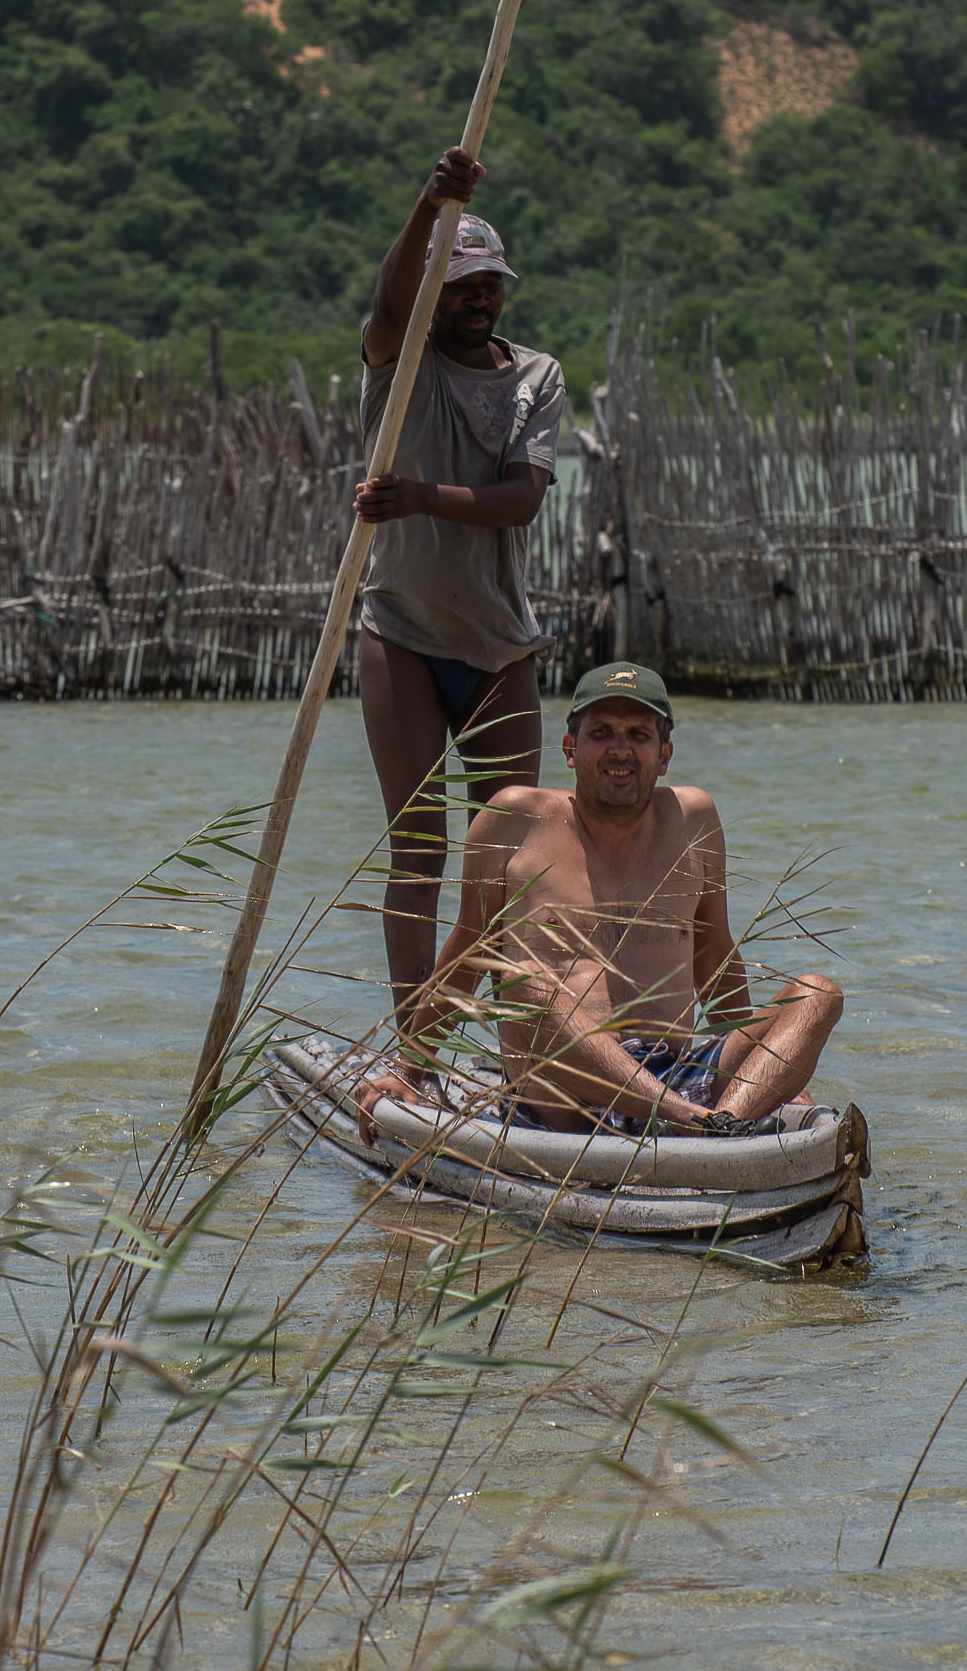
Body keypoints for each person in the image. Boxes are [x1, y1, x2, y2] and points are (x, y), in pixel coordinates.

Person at [357, 662, 844, 1140]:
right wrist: (408, 1068)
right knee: (524, 984)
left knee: (817, 994)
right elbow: (467, 954)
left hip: (678, 1074)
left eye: (638, 734)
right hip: (562, 1098)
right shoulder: (513, 820)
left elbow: (714, 955)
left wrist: (769, 1069)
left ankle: (720, 1126)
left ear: (664, 755)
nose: (620, 750)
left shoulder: (694, 819)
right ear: (570, 749)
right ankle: (693, 1124)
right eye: (602, 732)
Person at [350, 144, 567, 1009]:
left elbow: (520, 501)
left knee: (512, 856)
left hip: (498, 643)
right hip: (401, 631)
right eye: (459, 286)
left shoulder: (536, 377)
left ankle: (519, 1047)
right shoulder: (402, 363)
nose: (477, 299)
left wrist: (415, 497)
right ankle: (417, 1041)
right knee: (419, 851)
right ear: (432, 296)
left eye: (489, 286)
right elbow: (387, 305)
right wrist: (428, 203)